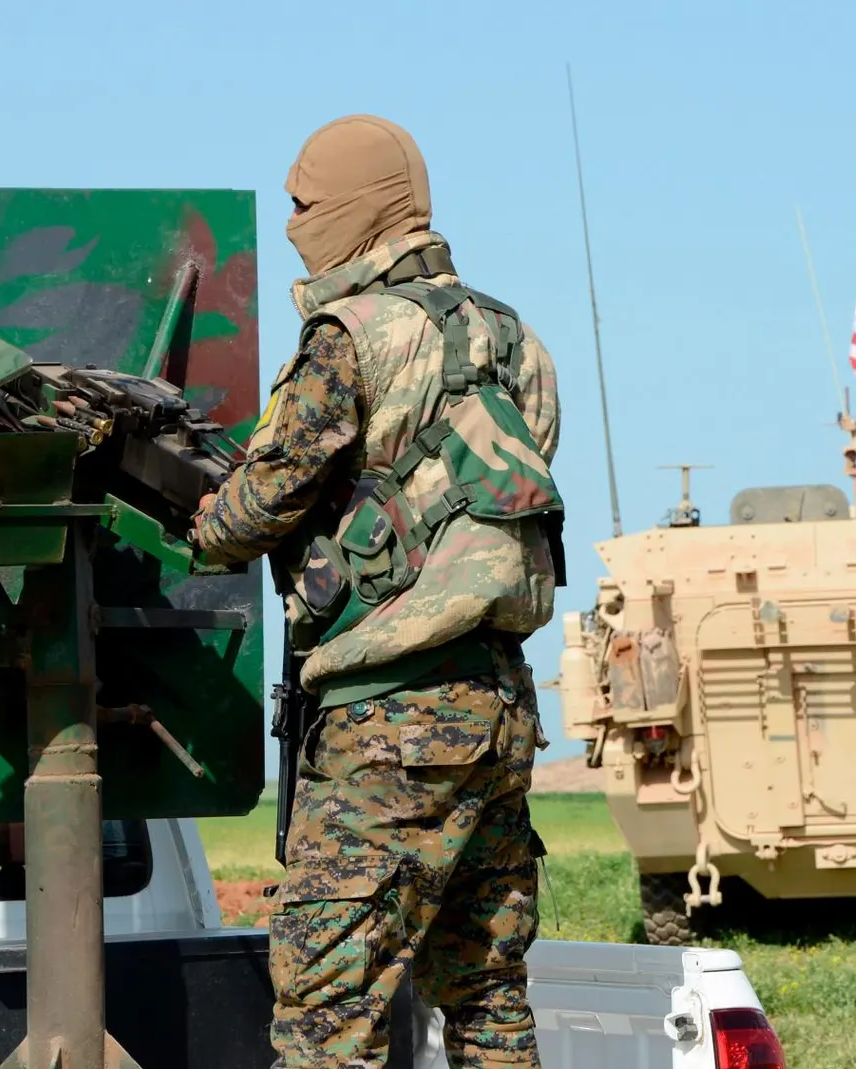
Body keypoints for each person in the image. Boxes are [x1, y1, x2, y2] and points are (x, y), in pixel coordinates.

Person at [191, 114, 563, 1069]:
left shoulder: (348, 336)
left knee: (326, 1015)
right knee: (486, 996)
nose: (291, 230)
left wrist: (201, 521)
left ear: (359, 209)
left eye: (307, 206)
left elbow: (263, 497)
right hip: (500, 709)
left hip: (387, 722)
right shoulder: (517, 339)